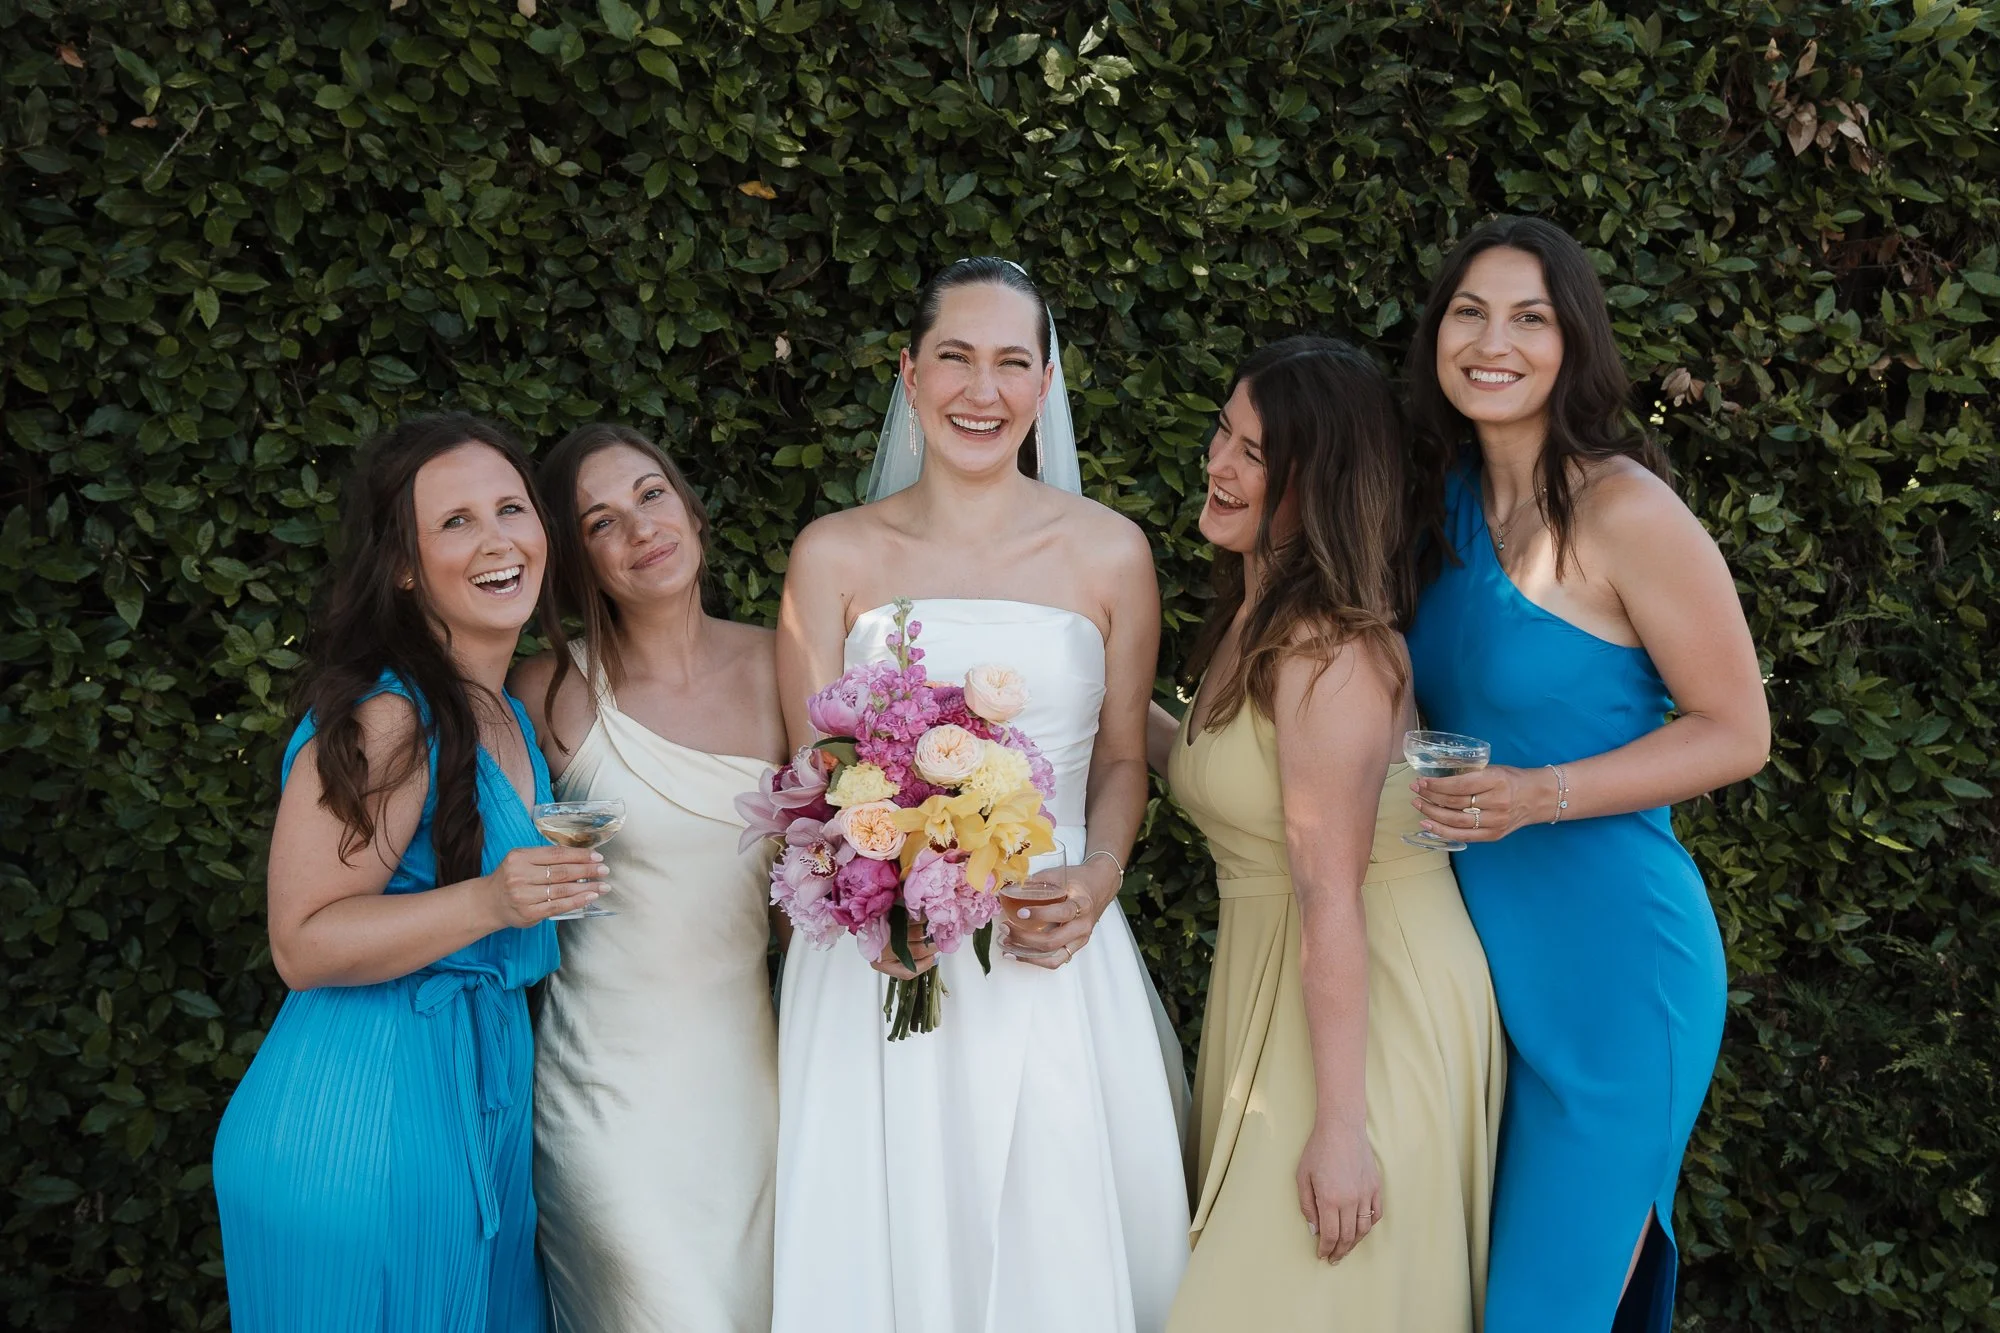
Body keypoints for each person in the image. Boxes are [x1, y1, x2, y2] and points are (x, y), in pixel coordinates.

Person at [768, 257, 1190, 1333]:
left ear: (1045, 384)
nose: (981, 390)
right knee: (886, 1228)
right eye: (954, 357)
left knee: (1050, 1227)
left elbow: (1121, 761)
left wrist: (1099, 878)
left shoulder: (1111, 553)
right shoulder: (832, 555)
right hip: (878, 953)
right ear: (910, 376)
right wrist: (874, 885)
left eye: (1011, 362)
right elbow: (813, 772)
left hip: (1047, 938)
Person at [1401, 215, 1769, 1332]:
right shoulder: (1435, 506)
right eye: (1469, 312)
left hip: (1614, 972)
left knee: (1541, 1311)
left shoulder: (1624, 509)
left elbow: (1735, 729)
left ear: (1573, 344)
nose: (1491, 342)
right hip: (1473, 973)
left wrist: (1536, 794)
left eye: (1530, 317)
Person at [213, 413, 604, 1333]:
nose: (497, 539)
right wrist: (491, 900)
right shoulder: (390, 717)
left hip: (477, 1106)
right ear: (402, 565)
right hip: (361, 1118)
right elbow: (302, 942)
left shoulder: (507, 713)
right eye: (455, 521)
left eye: (510, 507)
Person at [1148, 337, 1505, 1331]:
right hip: (1288, 981)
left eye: (1254, 453)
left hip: (1368, 1004)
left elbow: (1328, 889)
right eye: (1223, 433)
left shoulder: (1326, 650)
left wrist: (1342, 1128)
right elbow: (1227, 777)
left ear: (1321, 484)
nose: (1218, 464)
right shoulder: (1255, 616)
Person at [512, 424, 787, 1333]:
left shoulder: (786, 665)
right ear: (575, 559)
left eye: (651, 494)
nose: (640, 530)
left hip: (752, 1090)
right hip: (601, 1096)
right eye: (600, 521)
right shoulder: (544, 690)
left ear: (692, 510)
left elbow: (818, 890)